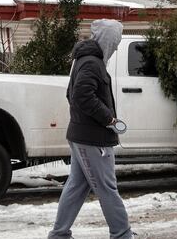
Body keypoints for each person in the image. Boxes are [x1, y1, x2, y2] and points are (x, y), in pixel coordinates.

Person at [49, 19, 134, 239]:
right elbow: (80, 96)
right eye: (115, 41)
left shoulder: (85, 60)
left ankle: (59, 234)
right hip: (93, 139)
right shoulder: (91, 63)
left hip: (83, 135)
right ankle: (122, 235)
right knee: (107, 188)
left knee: (77, 186)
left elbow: (72, 95)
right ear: (107, 40)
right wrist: (108, 119)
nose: (116, 46)